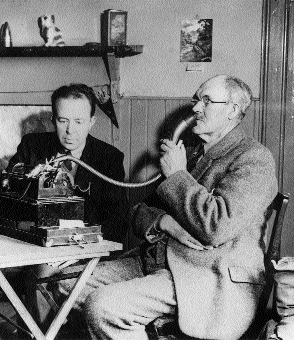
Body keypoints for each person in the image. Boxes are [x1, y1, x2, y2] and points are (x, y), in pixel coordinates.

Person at [64, 75, 279, 340]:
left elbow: (216, 226)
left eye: (207, 101)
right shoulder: (191, 154)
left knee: (104, 307)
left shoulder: (254, 159)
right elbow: (139, 212)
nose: (196, 108)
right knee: (67, 285)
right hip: (163, 263)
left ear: (232, 111)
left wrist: (177, 174)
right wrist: (165, 223)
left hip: (209, 276)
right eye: (196, 100)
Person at [0, 83, 128, 243]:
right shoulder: (31, 146)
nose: (70, 130)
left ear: (92, 122)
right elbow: (0, 198)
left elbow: (117, 224)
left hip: (82, 248)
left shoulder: (109, 158)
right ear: (53, 120)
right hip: (31, 242)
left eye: (79, 122)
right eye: (63, 121)